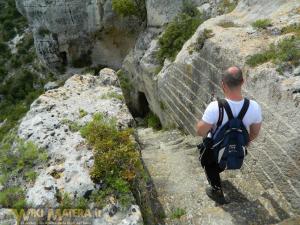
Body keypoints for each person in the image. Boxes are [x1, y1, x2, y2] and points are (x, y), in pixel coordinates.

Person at [196, 66, 262, 204]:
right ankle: (223, 164)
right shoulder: (254, 106)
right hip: (237, 148)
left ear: (223, 84)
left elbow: (200, 131)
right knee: (220, 153)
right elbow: (255, 133)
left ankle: (216, 190)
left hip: (216, 150)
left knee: (207, 159)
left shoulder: (215, 107)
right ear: (242, 82)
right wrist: (243, 142)